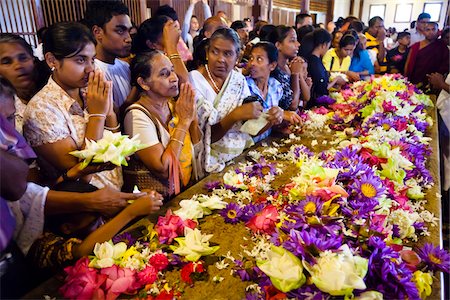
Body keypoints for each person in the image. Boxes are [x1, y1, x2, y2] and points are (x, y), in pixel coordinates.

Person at [23, 22, 122, 190]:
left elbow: (116, 147)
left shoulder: (90, 91)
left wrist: (110, 112)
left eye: (92, 59)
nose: (90, 69)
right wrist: (97, 116)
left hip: (116, 191)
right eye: (80, 60)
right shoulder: (41, 109)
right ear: (51, 60)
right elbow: (82, 173)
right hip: (84, 206)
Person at [124, 51, 202, 197]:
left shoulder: (174, 105)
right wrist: (184, 122)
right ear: (143, 83)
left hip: (185, 192)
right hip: (158, 204)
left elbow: (197, 147)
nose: (174, 78)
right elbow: (165, 170)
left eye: (172, 70)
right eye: (164, 74)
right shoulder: (136, 115)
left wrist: (193, 116)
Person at [190, 28, 262, 173]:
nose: (220, 59)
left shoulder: (238, 79)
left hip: (237, 160)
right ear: (206, 53)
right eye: (215, 52)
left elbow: (248, 127)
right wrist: (235, 115)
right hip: (206, 165)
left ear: (238, 57)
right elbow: (204, 138)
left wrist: (270, 118)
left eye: (228, 54)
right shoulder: (194, 80)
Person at [246, 42, 301, 142]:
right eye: (251, 58)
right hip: (247, 147)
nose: (252, 63)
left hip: (264, 144)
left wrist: (282, 124)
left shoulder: (275, 87)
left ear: (272, 65)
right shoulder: (245, 87)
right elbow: (250, 131)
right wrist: (279, 115)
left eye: (259, 59)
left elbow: (272, 124)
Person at [83, 0, 133, 109]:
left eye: (129, 31)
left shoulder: (126, 67)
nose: (128, 39)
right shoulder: (91, 73)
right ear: (97, 32)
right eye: (120, 31)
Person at [0, 34, 51, 133]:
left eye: (23, 58)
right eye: (7, 62)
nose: (18, 66)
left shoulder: (54, 90)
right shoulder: (4, 107)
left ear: (33, 60)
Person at [130, 16, 189, 85]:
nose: (174, 34)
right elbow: (184, 83)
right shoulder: (148, 64)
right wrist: (171, 45)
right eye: (168, 32)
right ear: (152, 44)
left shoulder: (167, 55)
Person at [300, 28, 346, 108]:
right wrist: (336, 80)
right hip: (314, 103)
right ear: (324, 45)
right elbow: (321, 88)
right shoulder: (314, 62)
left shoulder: (316, 59)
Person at [268, 25, 302, 111]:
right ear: (278, 45)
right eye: (292, 41)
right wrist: (295, 74)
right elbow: (293, 105)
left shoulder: (287, 67)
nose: (298, 44)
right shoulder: (272, 71)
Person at [404, 22, 449, 86]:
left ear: (437, 31)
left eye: (433, 29)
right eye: (428, 30)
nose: (431, 32)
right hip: (415, 80)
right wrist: (406, 79)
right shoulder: (416, 46)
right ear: (423, 32)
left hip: (434, 82)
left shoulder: (442, 45)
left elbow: (446, 64)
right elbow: (408, 64)